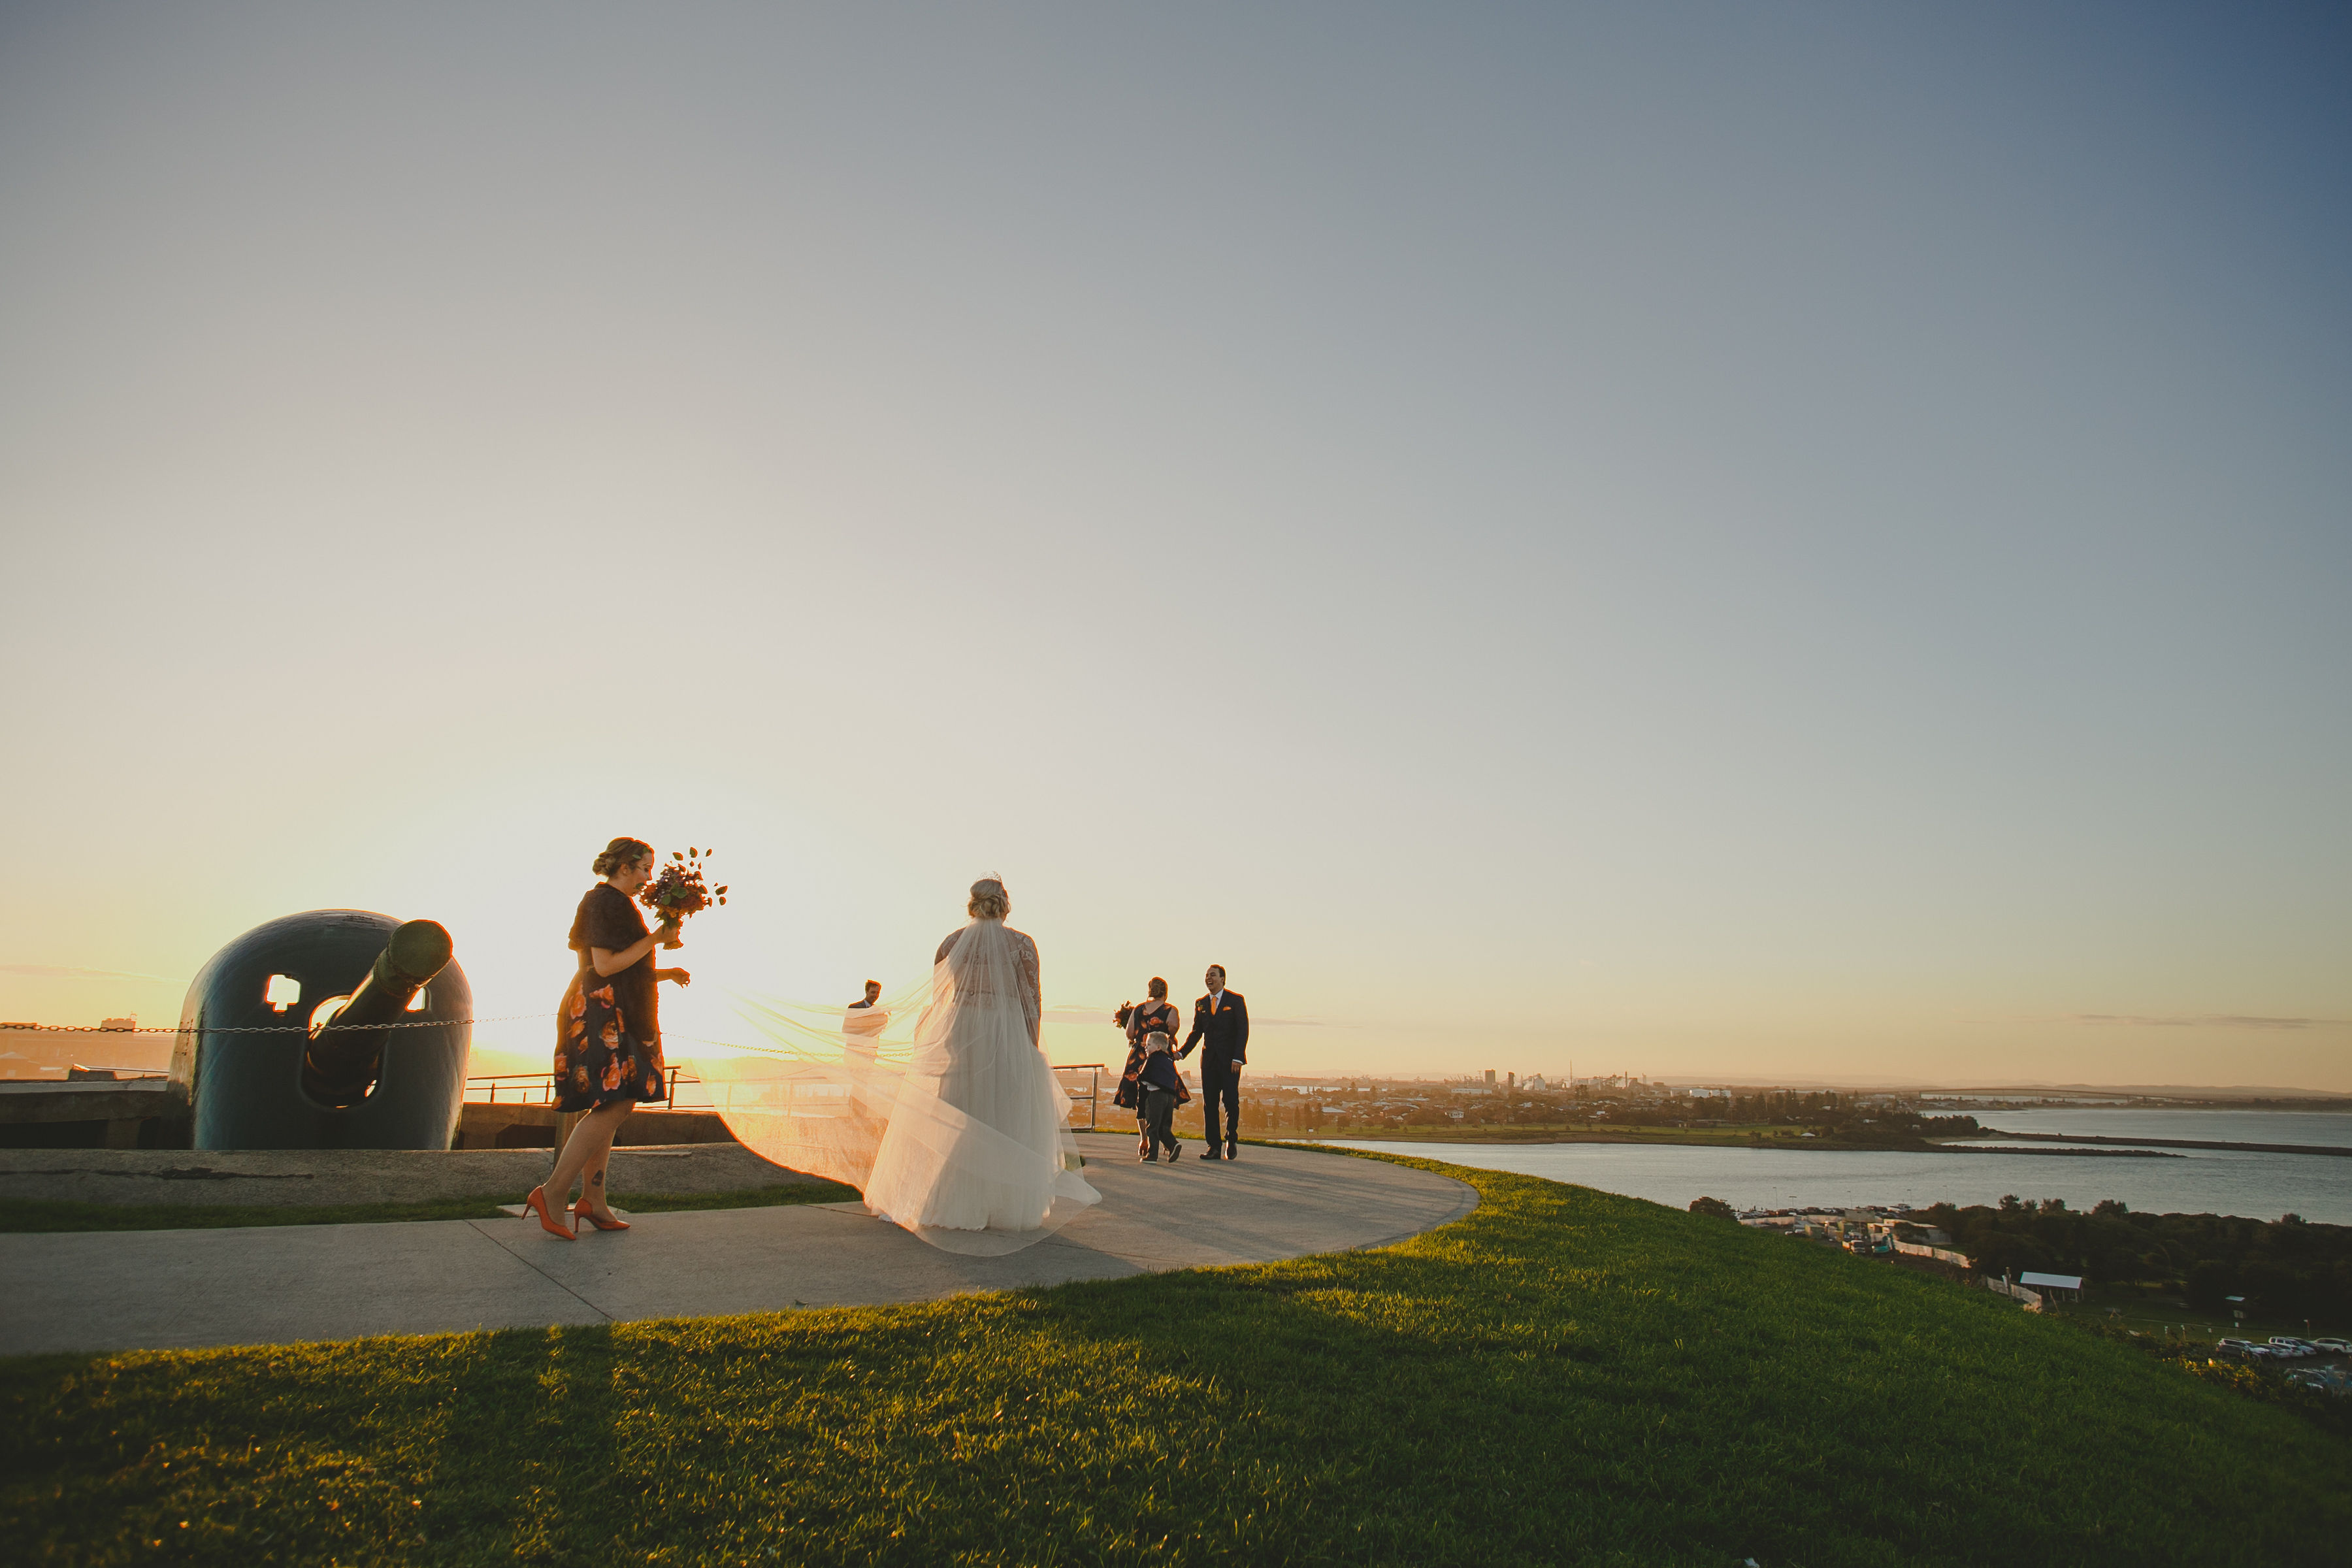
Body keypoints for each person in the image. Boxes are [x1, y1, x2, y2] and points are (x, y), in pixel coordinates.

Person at [856, 877, 1098, 1239]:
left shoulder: (951, 943)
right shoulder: (1022, 944)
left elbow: (940, 1001)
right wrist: (1030, 1048)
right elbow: (1032, 1000)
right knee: (1002, 1115)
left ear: (973, 903)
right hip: (1005, 1031)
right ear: (1004, 904)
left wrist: (936, 1042)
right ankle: (1000, 1205)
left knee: (957, 1114)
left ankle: (948, 1200)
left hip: (962, 1032)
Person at [527, 838, 691, 1239]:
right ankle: (552, 1194)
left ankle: (593, 1202)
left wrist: (662, 972)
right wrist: (655, 939)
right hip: (603, 1014)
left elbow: (618, 968)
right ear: (624, 867)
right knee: (616, 1105)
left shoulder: (614, 903)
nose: (648, 877)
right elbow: (603, 965)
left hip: (612, 1008)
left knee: (613, 1103)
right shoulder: (605, 902)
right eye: (644, 869)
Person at [1179, 964, 1248, 1160]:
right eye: (1207, 975)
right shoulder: (1200, 1004)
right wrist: (1182, 1053)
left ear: (1223, 979)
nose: (1209, 978)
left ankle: (1231, 1138)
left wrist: (1238, 1058)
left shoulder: (1235, 1001)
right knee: (1210, 1103)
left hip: (1230, 1062)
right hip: (1208, 1062)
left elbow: (1242, 1030)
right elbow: (1196, 1033)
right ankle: (1214, 1146)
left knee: (1231, 1102)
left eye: (1213, 975)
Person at [1111, 979, 1183, 1156]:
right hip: (1159, 1057)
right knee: (1164, 1095)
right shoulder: (1170, 1010)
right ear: (1165, 992)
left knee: (1140, 1099)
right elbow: (1173, 1028)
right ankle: (1165, 1140)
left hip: (1139, 1057)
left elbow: (1130, 1034)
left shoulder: (1138, 1010)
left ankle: (1144, 1138)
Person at [1134, 1028, 1184, 1162]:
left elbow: (1143, 1077)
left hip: (1156, 1096)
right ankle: (1173, 1145)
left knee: (1153, 1126)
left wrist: (1140, 1079)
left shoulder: (1152, 1059)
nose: (1146, 1047)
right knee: (1164, 1126)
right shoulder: (1168, 1061)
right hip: (1169, 1097)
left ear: (1158, 1047)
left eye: (1149, 1045)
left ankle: (1152, 1155)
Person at [843, 978, 887, 1064]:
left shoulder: (878, 1011)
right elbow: (846, 1029)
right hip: (854, 1051)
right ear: (867, 991)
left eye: (877, 993)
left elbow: (878, 1031)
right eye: (873, 992)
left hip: (869, 1053)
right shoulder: (854, 1007)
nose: (875, 996)